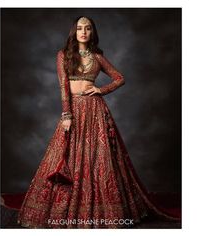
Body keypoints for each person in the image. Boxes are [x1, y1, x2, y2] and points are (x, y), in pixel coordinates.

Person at [17, 16, 181, 229]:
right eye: (79, 28)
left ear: (92, 32)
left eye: (87, 28)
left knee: (99, 159)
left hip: (95, 111)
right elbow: (63, 87)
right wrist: (66, 115)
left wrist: (100, 90)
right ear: (74, 32)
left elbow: (119, 77)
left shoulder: (97, 56)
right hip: (74, 110)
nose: (83, 32)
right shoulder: (63, 55)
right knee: (66, 157)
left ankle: (99, 210)